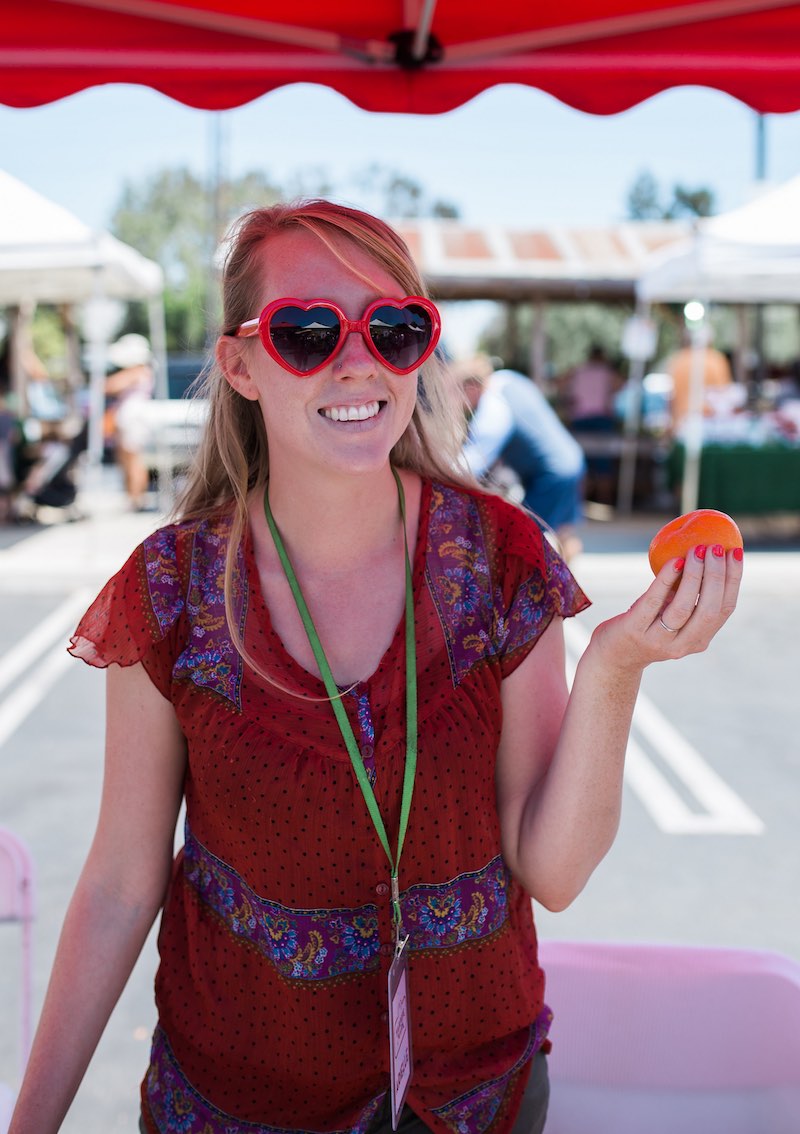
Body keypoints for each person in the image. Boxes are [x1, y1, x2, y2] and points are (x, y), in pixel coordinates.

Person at [8, 201, 743, 1134]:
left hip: (471, 1102)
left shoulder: (504, 560)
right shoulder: (169, 588)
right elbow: (119, 883)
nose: (358, 361)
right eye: (307, 333)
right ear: (238, 364)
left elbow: (552, 871)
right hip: (231, 1107)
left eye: (395, 329)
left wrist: (616, 667)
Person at [459, 357, 587, 561]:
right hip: (571, 461)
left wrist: (437, 472)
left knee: (521, 540)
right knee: (564, 534)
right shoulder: (509, 379)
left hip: (550, 474)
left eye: (459, 394)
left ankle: (550, 588)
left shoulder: (494, 406)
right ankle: (568, 588)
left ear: (472, 387)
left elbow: (475, 459)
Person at [104, 332, 155, 510]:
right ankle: (133, 497)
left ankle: (136, 498)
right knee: (128, 459)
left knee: (133, 459)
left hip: (132, 419)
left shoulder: (137, 371)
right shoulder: (141, 371)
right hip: (129, 418)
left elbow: (109, 386)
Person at [665, 328, 733, 432]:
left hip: (681, 420)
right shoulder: (716, 360)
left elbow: (671, 396)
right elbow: (723, 392)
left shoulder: (678, 359)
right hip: (708, 421)